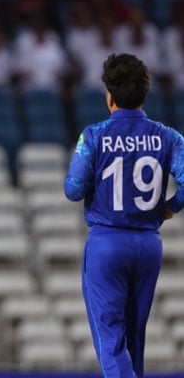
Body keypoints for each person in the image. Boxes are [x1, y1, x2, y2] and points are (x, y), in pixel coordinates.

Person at [64, 53, 184, 378]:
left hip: (107, 242)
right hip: (148, 244)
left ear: (109, 95)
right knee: (134, 337)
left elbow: (73, 189)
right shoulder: (169, 137)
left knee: (110, 340)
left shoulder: (94, 135)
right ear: (145, 92)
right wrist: (170, 206)